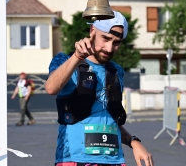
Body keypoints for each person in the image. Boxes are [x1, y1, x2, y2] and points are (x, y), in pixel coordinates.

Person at [45, 11, 154, 166]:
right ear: (92, 31)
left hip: (114, 160)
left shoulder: (117, 71)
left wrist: (133, 141)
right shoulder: (65, 60)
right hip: (75, 159)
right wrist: (77, 57)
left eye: (116, 42)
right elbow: (51, 88)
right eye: (106, 38)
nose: (109, 48)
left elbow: (110, 120)